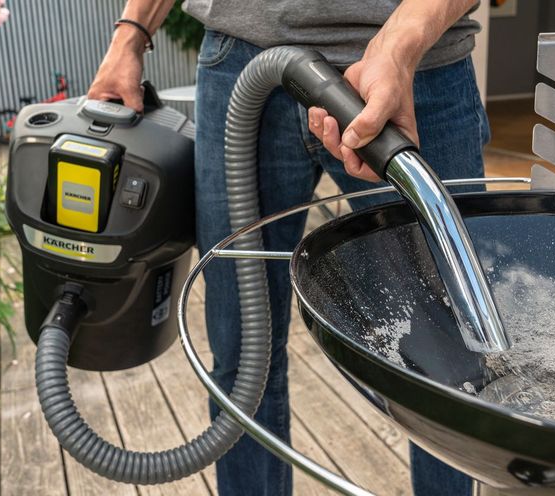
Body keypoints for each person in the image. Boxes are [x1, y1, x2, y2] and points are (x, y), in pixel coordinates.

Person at [88, 1, 488, 495]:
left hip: (420, 69)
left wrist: (398, 43)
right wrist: (130, 36)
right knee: (242, 351)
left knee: (454, 358)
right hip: (244, 66)